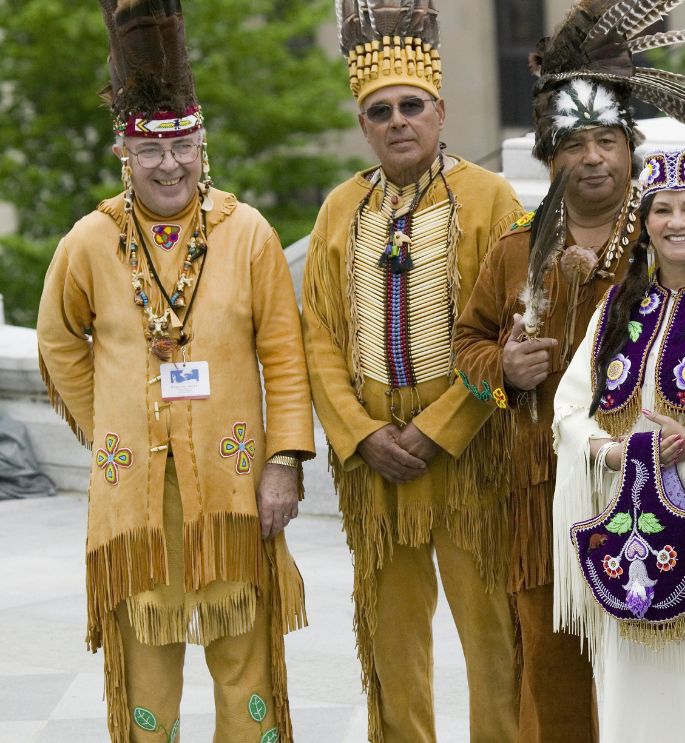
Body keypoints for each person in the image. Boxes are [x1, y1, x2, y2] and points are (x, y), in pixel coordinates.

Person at [452, 2, 685, 739]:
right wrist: (503, 368)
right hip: (539, 491)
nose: (591, 157)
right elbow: (463, 351)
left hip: (664, 484)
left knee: (661, 656)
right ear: (547, 154)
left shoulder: (663, 240)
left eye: (607, 141)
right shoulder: (512, 251)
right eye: (574, 142)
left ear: (630, 149)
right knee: (552, 665)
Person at [37, 2, 312, 740]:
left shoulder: (247, 231)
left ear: (201, 145)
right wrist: (107, 423)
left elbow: (285, 353)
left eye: (181, 146)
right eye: (150, 151)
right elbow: (58, 339)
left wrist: (283, 462)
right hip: (135, 500)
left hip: (232, 488)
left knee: (243, 660)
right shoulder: (90, 240)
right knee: (146, 669)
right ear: (124, 155)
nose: (168, 164)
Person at [299, 2, 523, 741]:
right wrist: (362, 435)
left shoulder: (493, 199)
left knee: (494, 632)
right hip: (376, 469)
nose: (398, 121)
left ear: (440, 111)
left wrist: (436, 429)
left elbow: (510, 329)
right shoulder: (340, 209)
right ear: (364, 125)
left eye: (411, 106)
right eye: (380, 110)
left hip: (470, 458)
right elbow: (318, 337)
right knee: (390, 639)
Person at [551, 149, 685, 742]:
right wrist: (607, 451)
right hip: (627, 515)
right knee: (630, 682)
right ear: (644, 222)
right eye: (662, 209)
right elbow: (569, 407)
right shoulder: (619, 305)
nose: (677, 221)